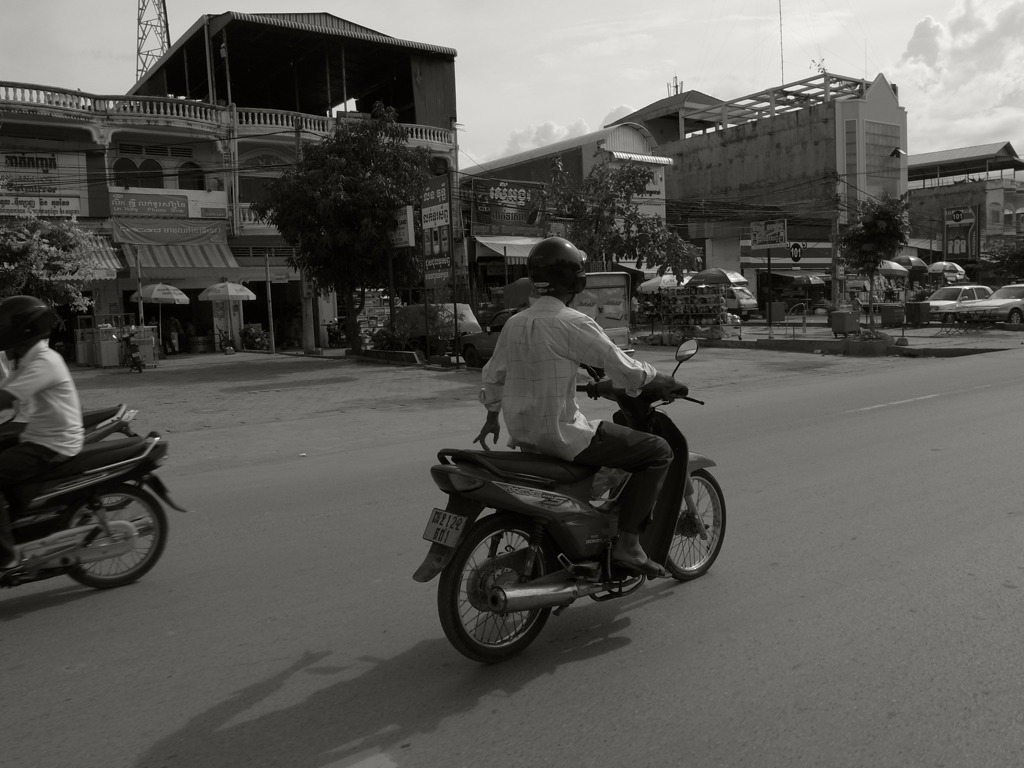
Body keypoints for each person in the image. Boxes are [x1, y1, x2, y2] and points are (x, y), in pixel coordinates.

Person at [475, 237, 683, 579]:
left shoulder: (514, 323)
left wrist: (491, 417)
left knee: (604, 433)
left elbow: (493, 377)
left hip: (526, 437)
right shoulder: (571, 322)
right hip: (563, 437)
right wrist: (661, 379)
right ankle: (630, 544)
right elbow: (624, 368)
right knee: (658, 450)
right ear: (578, 281)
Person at [0, 296, 84, 568]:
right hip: (40, 435)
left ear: (23, 332)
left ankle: (6, 555)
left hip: (52, 444)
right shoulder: (31, 358)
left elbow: (6, 397)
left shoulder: (44, 361)